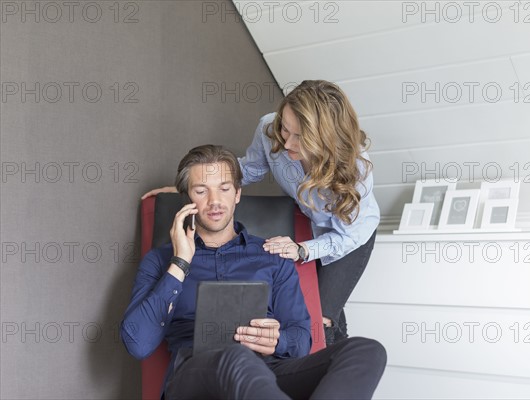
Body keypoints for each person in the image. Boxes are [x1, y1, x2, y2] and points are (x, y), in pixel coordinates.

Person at [122, 145, 386, 399]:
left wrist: (278, 341)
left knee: (366, 351)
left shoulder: (271, 256)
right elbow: (138, 343)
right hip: (194, 375)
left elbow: (300, 339)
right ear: (187, 199)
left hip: (266, 371)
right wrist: (180, 262)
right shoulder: (161, 260)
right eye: (201, 191)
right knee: (236, 357)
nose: (215, 201)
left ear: (237, 193)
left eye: (224, 189)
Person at [142, 80, 380, 345]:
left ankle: (340, 361)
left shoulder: (357, 169)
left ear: (325, 138)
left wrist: (303, 250)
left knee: (322, 321)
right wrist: (191, 187)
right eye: (285, 128)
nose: (287, 141)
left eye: (299, 136)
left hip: (348, 235)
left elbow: (349, 236)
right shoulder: (270, 128)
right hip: (309, 222)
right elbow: (251, 168)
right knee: (317, 307)